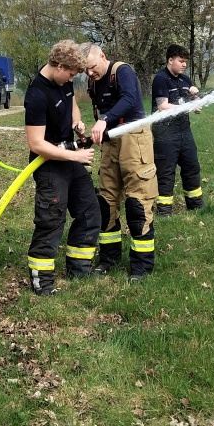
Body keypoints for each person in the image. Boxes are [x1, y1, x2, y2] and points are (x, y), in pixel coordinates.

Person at [24, 40, 99, 295]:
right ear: (58, 66)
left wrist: (77, 123)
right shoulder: (37, 94)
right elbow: (36, 144)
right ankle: (42, 282)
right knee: (51, 221)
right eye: (71, 73)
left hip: (69, 157)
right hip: (49, 165)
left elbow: (72, 105)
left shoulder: (64, 82)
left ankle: (80, 270)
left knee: (89, 211)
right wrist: (76, 157)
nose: (72, 79)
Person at [81, 42, 158, 279]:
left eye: (92, 67)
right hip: (110, 143)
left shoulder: (122, 71)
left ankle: (142, 265)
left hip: (134, 139)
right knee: (106, 203)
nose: (90, 73)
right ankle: (109, 258)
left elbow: (130, 99)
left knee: (137, 203)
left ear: (102, 56)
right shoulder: (93, 81)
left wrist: (105, 119)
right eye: (85, 70)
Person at [151, 43, 203, 215]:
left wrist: (196, 98)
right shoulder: (161, 79)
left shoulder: (185, 80)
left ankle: (195, 206)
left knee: (192, 166)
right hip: (165, 133)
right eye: (181, 61)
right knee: (166, 172)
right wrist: (187, 107)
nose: (184, 64)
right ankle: (164, 210)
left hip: (184, 131)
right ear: (170, 60)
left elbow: (196, 104)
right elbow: (163, 106)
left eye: (185, 61)